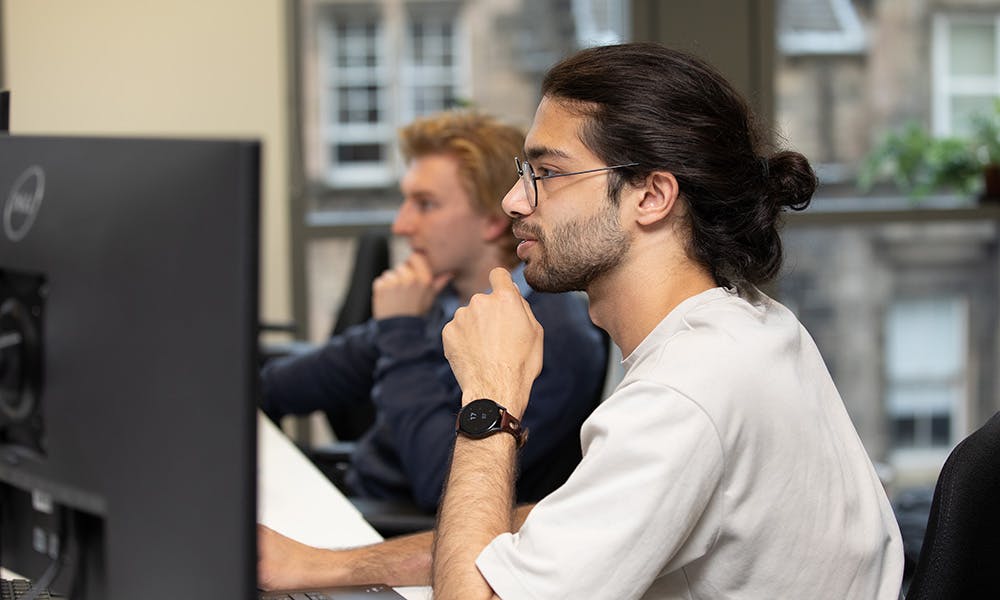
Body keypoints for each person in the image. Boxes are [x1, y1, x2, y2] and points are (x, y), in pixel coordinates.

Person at [259, 43, 904, 599]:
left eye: (546, 173)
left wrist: (491, 394)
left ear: (651, 196)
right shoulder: (754, 328)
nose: (515, 201)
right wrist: (323, 565)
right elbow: (571, 520)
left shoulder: (685, 395)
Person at [259, 110, 607, 513]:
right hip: (359, 496)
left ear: (493, 220)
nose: (402, 225)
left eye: (425, 205)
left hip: (402, 532)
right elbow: (289, 386)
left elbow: (440, 487)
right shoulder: (441, 300)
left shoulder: (554, 338)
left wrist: (400, 329)